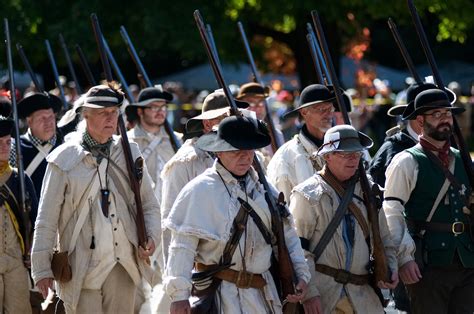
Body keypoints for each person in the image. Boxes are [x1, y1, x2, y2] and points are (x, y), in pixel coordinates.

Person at [30, 84, 161, 313]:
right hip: (80, 266)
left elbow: (149, 204)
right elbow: (46, 219)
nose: (110, 118)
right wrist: (41, 269)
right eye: (102, 113)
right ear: (86, 115)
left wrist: (151, 236)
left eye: (114, 112)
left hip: (123, 265)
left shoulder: (130, 152)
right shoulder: (63, 159)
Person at [164, 115, 311, 313]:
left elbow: (288, 237)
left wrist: (301, 274)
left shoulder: (266, 190)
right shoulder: (199, 190)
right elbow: (182, 247)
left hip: (263, 295)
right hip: (221, 296)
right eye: (236, 150)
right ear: (220, 152)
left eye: (248, 149)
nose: (244, 156)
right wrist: (179, 296)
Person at [383, 88, 474, 313]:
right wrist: (404, 258)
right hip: (426, 263)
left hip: (466, 260)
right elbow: (391, 212)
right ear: (420, 121)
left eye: (447, 113)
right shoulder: (406, 161)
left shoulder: (463, 160)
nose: (444, 118)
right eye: (436, 114)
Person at [291, 124, 398, 313]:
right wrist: (310, 293)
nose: (353, 159)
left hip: (364, 296)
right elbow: (299, 250)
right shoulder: (306, 195)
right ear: (327, 156)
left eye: (356, 154)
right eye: (344, 154)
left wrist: (390, 266)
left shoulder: (369, 191)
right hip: (325, 295)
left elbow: (384, 237)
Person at [267, 84, 336, 201]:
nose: (328, 114)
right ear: (304, 112)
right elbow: (284, 208)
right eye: (321, 109)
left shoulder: (339, 147)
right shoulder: (285, 158)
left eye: (330, 108)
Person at [0, 116, 38, 313]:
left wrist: (31, 251)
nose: (5, 147)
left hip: (16, 260)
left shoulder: (20, 178)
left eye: (7, 142)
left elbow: (36, 220)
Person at [126, 86, 182, 204]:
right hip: (140, 208)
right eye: (154, 107)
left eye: (163, 107)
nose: (160, 111)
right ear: (140, 111)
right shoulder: (127, 141)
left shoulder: (177, 140)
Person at [9, 92, 63, 198]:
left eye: (51, 117)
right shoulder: (14, 148)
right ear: (29, 122)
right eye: (42, 118)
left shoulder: (65, 145)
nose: (48, 122)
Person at [236, 82, 285, 163]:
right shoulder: (235, 135)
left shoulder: (276, 134)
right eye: (251, 102)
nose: (258, 106)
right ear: (240, 106)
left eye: (261, 102)